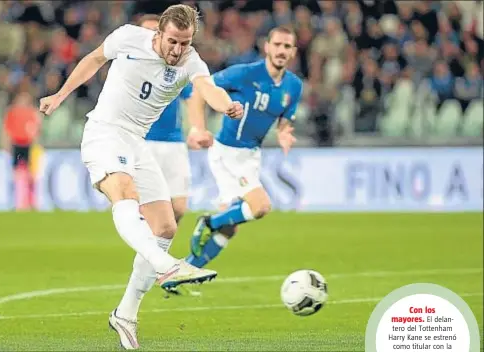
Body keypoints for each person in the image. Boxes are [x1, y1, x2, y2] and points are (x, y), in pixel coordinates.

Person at [39, 5, 243, 350]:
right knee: (124, 190)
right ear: (159, 33)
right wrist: (60, 95)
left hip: (137, 142)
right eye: (173, 42)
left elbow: (207, 88)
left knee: (165, 227)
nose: (178, 50)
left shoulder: (192, 60)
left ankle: (126, 314)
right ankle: (166, 265)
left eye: (185, 43)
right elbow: (93, 59)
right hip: (105, 131)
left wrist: (226, 106)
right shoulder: (128, 38)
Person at [185, 26, 302, 270]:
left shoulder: (294, 86)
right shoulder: (246, 73)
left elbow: (285, 121)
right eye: (277, 45)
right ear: (267, 47)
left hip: (251, 155)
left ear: (293, 52)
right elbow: (200, 89)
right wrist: (198, 128)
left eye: (287, 46)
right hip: (229, 151)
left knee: (230, 228)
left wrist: (284, 134)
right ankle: (209, 222)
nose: (281, 50)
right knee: (261, 206)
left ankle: (185, 270)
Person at [139, 14, 213, 226]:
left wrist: (197, 129)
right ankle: (151, 253)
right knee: (147, 208)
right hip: (142, 143)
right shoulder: (131, 65)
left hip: (173, 142)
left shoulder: (177, 66)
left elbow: (193, 96)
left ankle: (154, 249)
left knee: (179, 208)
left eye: (155, 31)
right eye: (146, 31)